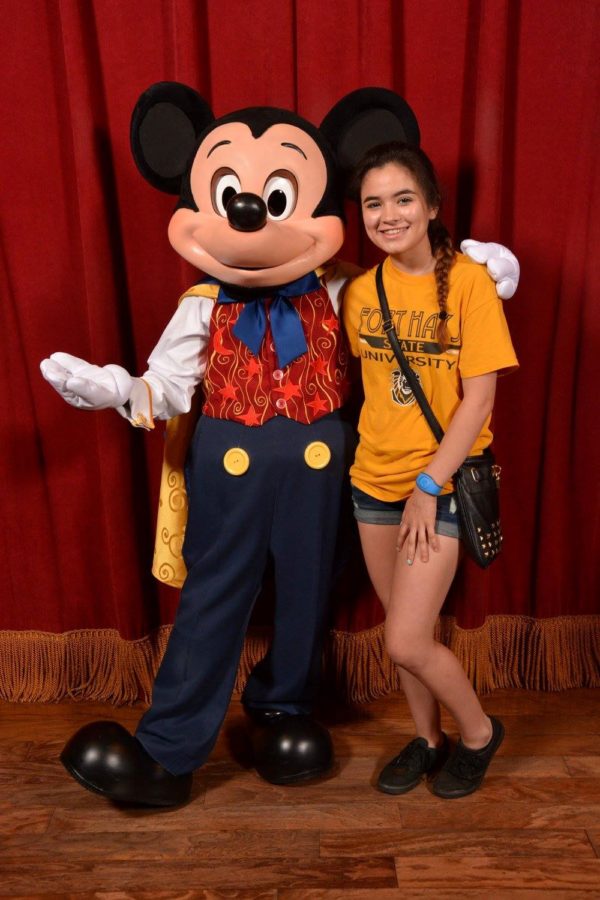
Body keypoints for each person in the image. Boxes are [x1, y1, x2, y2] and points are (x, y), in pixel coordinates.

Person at [342, 141, 519, 799]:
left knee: (409, 639)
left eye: (403, 199)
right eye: (373, 204)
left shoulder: (470, 283)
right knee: (398, 635)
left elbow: (480, 399)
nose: (388, 215)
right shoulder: (361, 293)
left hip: (440, 483)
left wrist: (426, 485)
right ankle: (427, 740)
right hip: (371, 483)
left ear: (432, 206)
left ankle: (476, 733)